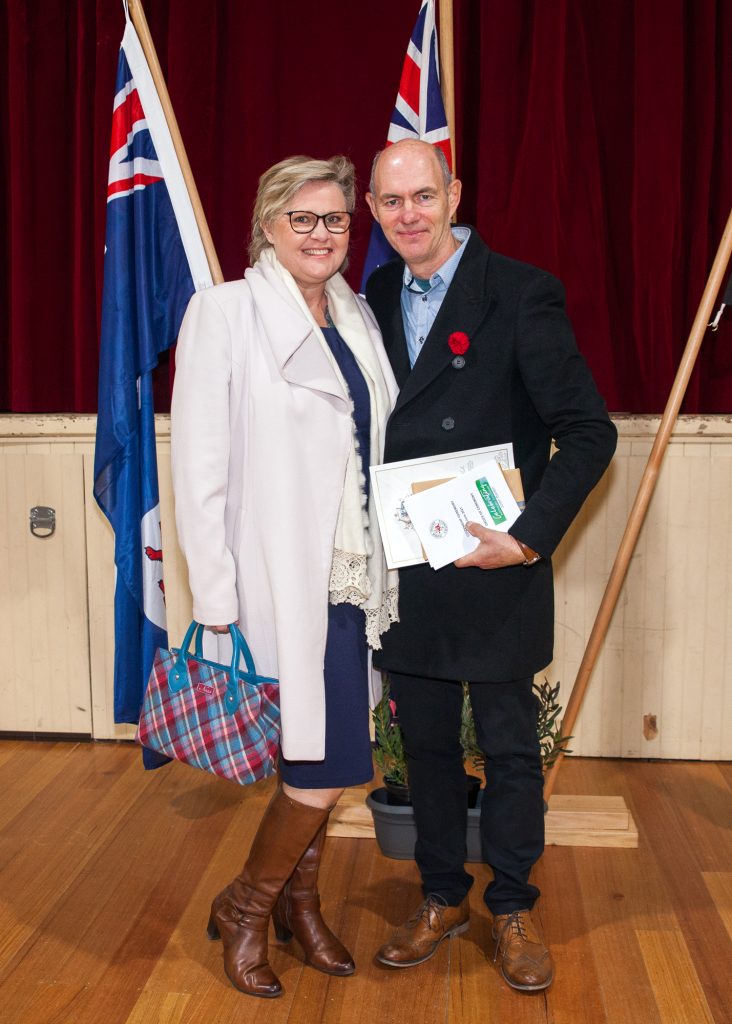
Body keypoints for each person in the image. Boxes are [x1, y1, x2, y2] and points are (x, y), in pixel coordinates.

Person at [364, 139, 617, 992]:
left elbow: (588, 430)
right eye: (392, 202)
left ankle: (513, 908)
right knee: (424, 753)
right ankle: (441, 897)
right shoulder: (367, 297)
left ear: (454, 194)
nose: (410, 215)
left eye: (424, 196)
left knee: (509, 753)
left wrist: (529, 535)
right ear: (373, 209)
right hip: (409, 573)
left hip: (496, 569)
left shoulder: (519, 291)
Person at [171, 155, 399, 999]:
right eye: (302, 218)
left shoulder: (356, 317)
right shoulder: (225, 313)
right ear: (267, 225)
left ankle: (298, 905)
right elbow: (199, 470)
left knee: (332, 761)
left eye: (335, 220)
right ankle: (247, 906)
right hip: (274, 583)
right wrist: (218, 602)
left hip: (350, 578)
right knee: (319, 768)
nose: (321, 234)